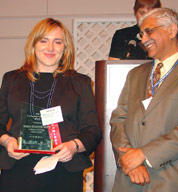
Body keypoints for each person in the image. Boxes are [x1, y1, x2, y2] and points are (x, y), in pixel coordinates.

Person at [0, 18, 102, 192]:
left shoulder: (80, 83)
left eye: (57, 42)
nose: (50, 48)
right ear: (33, 44)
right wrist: (7, 141)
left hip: (63, 170)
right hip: (18, 169)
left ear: (65, 48)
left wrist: (74, 146)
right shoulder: (11, 80)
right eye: (44, 40)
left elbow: (93, 131)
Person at [110, 7, 178, 192]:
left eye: (149, 31)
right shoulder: (135, 75)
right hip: (128, 179)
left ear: (172, 30)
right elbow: (118, 119)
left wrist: (144, 154)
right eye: (141, 34)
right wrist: (130, 161)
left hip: (170, 180)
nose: (143, 40)